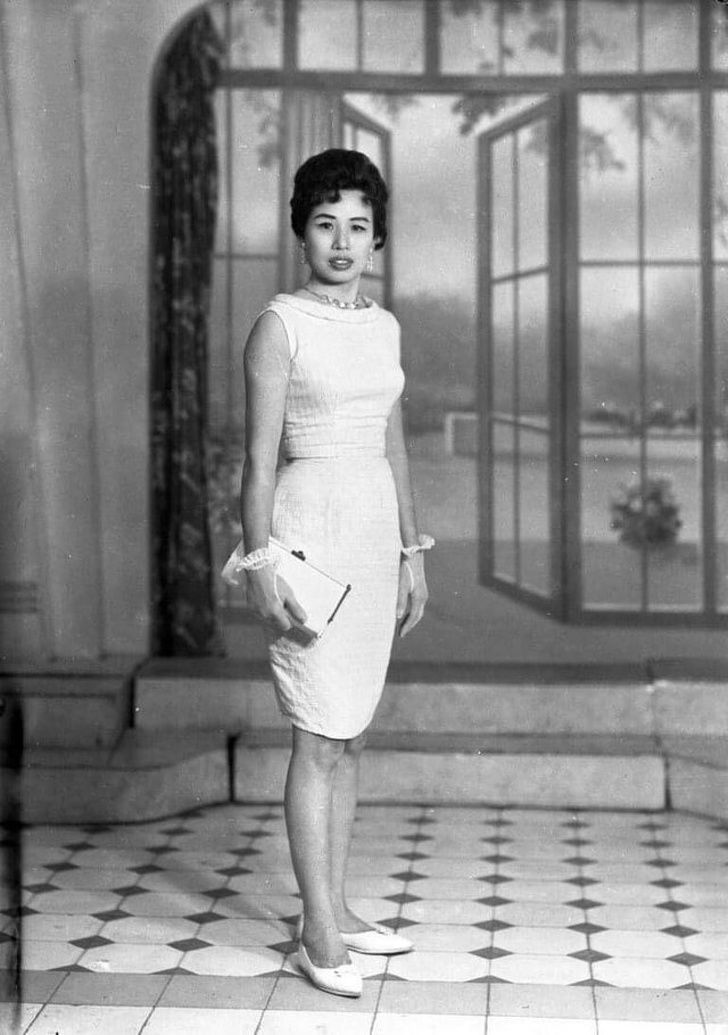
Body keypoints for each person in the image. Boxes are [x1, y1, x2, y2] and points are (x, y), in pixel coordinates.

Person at [233, 148, 432, 998]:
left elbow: (395, 447)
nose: (343, 242)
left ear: (377, 237)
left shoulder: (384, 327)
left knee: (349, 736)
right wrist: (259, 563)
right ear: (302, 233)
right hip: (307, 537)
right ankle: (316, 931)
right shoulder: (279, 326)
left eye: (358, 225)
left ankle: (337, 907)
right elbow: (256, 461)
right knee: (317, 735)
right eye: (326, 224)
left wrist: (412, 554)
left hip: (374, 536)